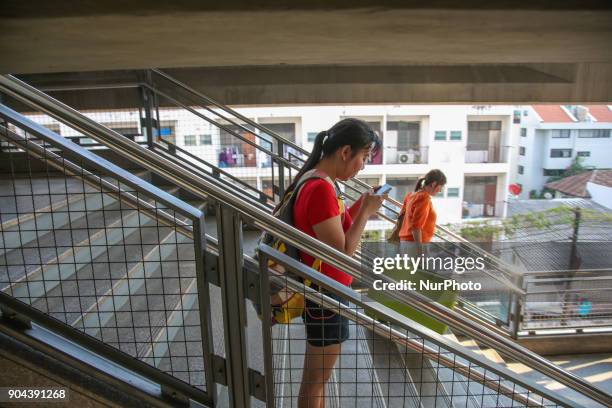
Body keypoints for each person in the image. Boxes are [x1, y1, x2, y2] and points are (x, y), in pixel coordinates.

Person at [281, 118, 384, 408]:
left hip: (324, 293)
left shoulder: (318, 180)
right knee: (316, 382)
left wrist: (362, 205)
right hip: (326, 297)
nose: (362, 165)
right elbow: (342, 252)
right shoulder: (321, 189)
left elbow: (333, 228)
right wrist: (366, 214)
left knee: (315, 380)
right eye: (363, 157)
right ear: (345, 152)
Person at [398, 169, 447, 251]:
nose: (440, 190)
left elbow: (401, 217)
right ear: (434, 184)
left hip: (405, 242)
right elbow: (416, 227)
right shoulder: (424, 198)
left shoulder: (411, 195)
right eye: (440, 187)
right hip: (415, 244)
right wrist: (420, 250)